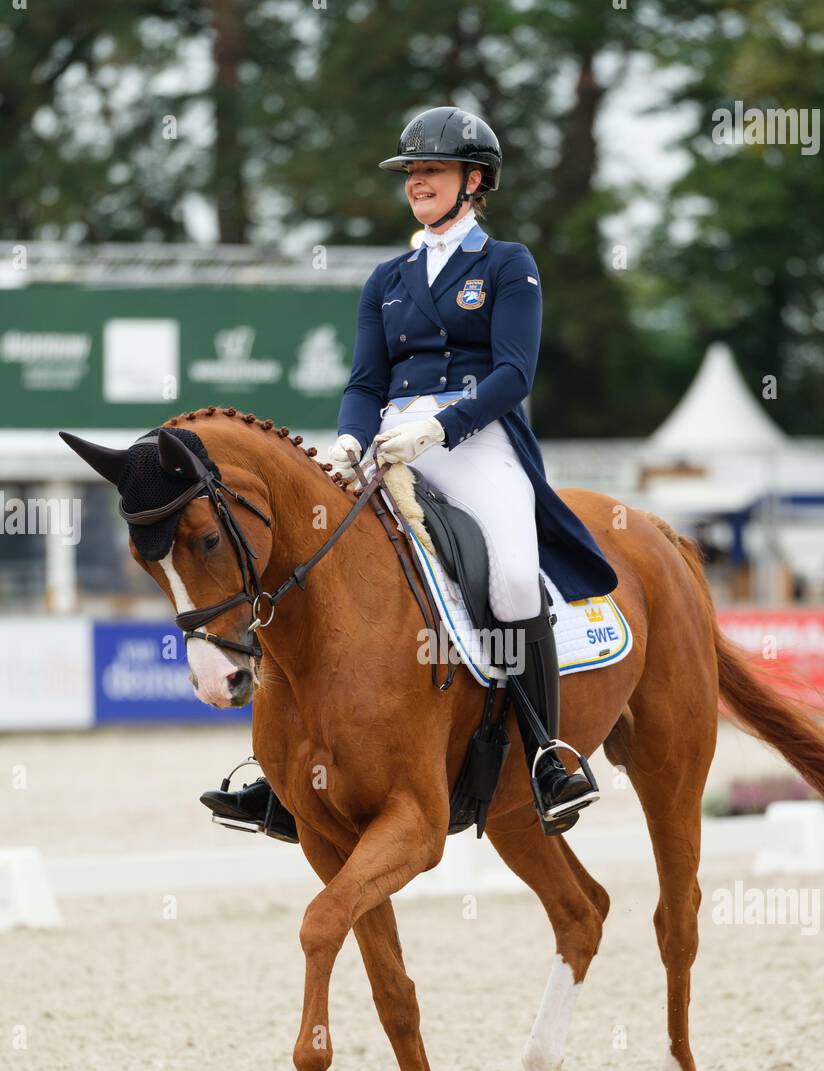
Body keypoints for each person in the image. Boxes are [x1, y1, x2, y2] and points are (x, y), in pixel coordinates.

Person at [204, 105, 618, 841]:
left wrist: (442, 424)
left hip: (476, 441)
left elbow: (513, 374)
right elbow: (366, 379)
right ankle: (285, 769)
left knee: (515, 578)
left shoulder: (506, 264)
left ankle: (547, 755)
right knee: (308, 559)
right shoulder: (387, 278)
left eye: (430, 171)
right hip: (389, 440)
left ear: (474, 180)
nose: (416, 183)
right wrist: (349, 441)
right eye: (410, 173)